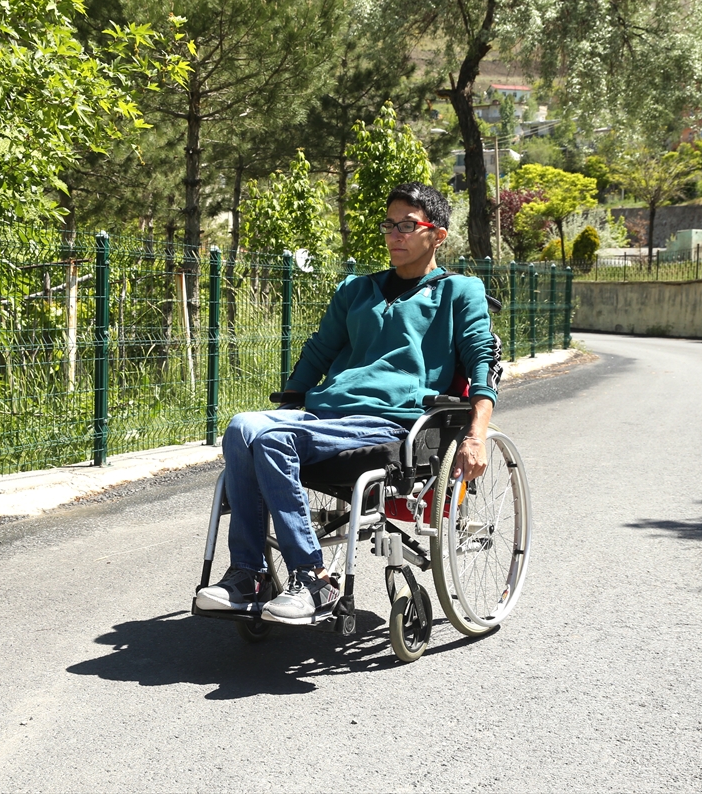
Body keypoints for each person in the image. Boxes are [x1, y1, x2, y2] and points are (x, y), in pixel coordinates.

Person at [195, 182, 498, 625]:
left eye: (408, 226)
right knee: (243, 428)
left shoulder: (460, 292)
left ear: (438, 234)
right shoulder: (357, 290)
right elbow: (319, 352)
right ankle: (250, 577)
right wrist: (288, 405)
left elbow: (481, 362)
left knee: (273, 442)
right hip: (326, 413)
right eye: (389, 225)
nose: (395, 234)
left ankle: (313, 578)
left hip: (389, 420)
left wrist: (477, 434)